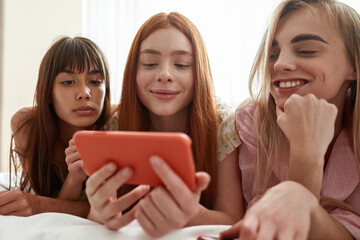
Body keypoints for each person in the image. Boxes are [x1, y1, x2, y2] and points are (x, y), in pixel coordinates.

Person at [85, 12, 243, 238]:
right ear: (133, 72)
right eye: (150, 63)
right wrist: (98, 212)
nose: (165, 75)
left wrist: (189, 213)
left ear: (198, 72)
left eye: (181, 64)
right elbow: (95, 216)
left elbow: (232, 219)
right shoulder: (116, 123)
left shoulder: (222, 125)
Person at [220, 0, 360, 239]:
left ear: (353, 65)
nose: (280, 64)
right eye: (272, 53)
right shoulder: (243, 125)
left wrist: (307, 154)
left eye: (306, 50)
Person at [0, 36, 111, 217]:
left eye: (95, 81)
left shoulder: (116, 123)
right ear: (48, 93)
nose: (84, 93)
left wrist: (37, 205)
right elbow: (50, 199)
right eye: (68, 82)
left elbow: (121, 207)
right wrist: (74, 177)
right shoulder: (28, 125)